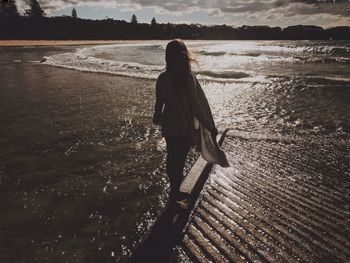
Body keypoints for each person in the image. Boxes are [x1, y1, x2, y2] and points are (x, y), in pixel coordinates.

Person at [152, 39, 228, 209]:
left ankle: (174, 192)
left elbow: (158, 105)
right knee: (178, 163)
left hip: (170, 127)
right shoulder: (187, 77)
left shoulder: (162, 78)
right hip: (184, 127)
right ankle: (174, 196)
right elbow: (195, 107)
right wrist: (209, 124)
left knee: (172, 161)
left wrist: (157, 116)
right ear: (184, 55)